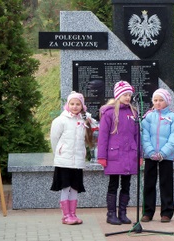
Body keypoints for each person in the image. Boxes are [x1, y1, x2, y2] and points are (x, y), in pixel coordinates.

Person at [97, 80, 142, 225]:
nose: (128, 98)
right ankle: (111, 214)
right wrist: (102, 156)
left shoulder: (133, 113)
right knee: (113, 184)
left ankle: (122, 212)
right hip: (115, 156)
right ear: (118, 96)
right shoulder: (109, 113)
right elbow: (103, 136)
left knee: (126, 185)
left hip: (130, 155)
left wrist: (139, 155)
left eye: (129, 95)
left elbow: (137, 135)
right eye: (125, 95)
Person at [50, 91, 95, 225]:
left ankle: (73, 213)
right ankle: (65, 215)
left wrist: (88, 119)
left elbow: (95, 129)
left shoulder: (83, 120)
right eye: (72, 103)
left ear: (82, 106)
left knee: (75, 187)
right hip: (64, 160)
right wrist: (58, 153)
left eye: (78, 104)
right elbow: (54, 139)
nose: (75, 106)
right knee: (66, 187)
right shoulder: (60, 120)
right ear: (67, 105)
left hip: (78, 160)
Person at [141, 88, 174, 223]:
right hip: (150, 156)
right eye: (155, 100)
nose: (158, 103)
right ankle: (147, 212)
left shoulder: (173, 117)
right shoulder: (148, 117)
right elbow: (144, 136)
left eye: (161, 100)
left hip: (166, 157)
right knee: (149, 183)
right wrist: (150, 152)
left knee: (166, 183)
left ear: (167, 101)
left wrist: (163, 153)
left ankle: (167, 212)